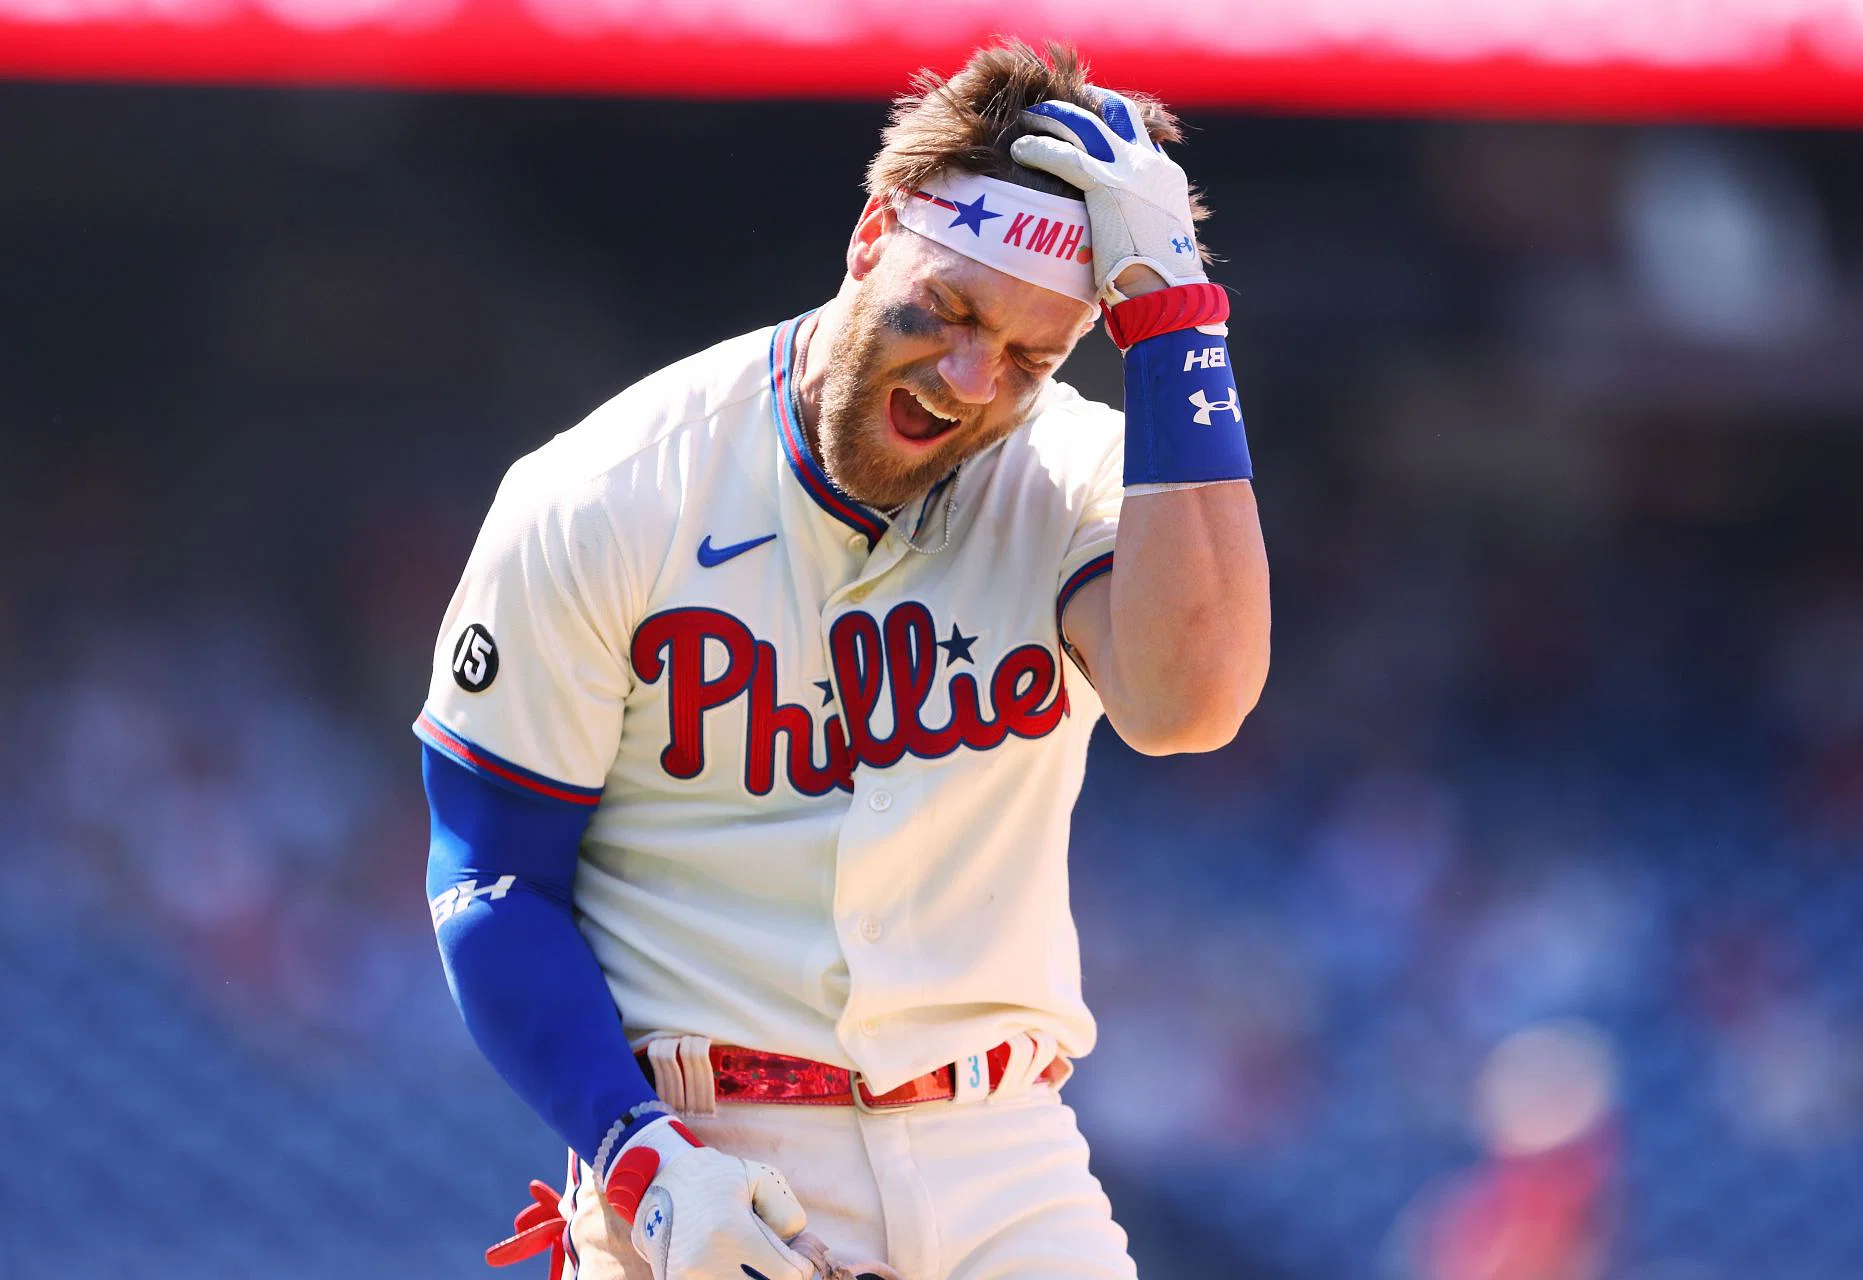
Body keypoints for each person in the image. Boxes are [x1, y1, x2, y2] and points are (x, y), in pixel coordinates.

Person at [415, 39, 1269, 1280]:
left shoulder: (1072, 474)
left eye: (1031, 357)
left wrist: (1176, 317)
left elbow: (1193, 701)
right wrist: (640, 1159)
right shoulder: (605, 492)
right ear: (874, 232)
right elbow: (489, 878)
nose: (973, 380)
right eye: (957, 311)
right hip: (717, 1158)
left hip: (1005, 1156)